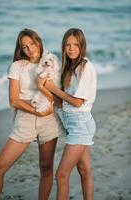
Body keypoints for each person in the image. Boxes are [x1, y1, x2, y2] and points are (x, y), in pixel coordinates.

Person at [0, 28, 61, 200]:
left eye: (32, 44)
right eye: (25, 47)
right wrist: (37, 111)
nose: (30, 49)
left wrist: (42, 90)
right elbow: (14, 101)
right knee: (0, 167)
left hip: (49, 119)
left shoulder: (51, 63)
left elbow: (57, 98)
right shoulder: (17, 66)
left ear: (38, 41)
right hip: (26, 119)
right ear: (21, 50)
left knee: (46, 168)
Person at [38, 28, 97, 200]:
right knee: (84, 170)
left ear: (82, 45)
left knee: (61, 175)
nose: (71, 49)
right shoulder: (70, 67)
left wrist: (53, 88)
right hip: (71, 123)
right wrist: (43, 88)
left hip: (80, 125)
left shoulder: (85, 67)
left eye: (75, 45)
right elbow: (60, 101)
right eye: (67, 45)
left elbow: (78, 102)